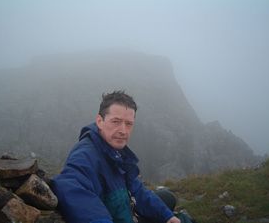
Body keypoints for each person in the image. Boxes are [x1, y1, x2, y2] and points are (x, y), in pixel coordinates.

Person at [52, 90, 180, 223]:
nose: (123, 131)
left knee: (167, 198)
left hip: (126, 211)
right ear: (100, 121)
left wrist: (167, 216)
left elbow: (137, 189)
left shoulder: (117, 152)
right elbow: (69, 185)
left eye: (129, 124)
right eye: (116, 121)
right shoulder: (85, 154)